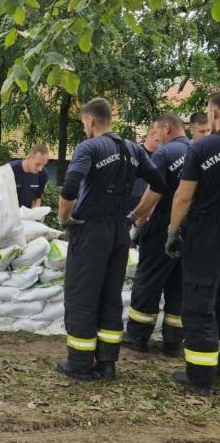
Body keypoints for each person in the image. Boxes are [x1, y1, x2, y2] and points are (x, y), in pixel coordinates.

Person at [56, 98, 166, 381]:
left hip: (91, 231)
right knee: (110, 296)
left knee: (82, 294)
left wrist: (64, 218)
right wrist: (135, 215)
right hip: (120, 232)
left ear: (91, 121)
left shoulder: (89, 147)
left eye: (83, 123)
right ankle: (107, 363)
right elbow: (160, 184)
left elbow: (70, 186)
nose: (84, 128)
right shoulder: (132, 148)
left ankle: (79, 365)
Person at [165, 93, 220, 397]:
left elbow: (183, 196)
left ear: (214, 112)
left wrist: (173, 231)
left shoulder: (202, 148)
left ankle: (199, 377)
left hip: (207, 234)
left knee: (200, 302)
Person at [123, 114, 191, 356]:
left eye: (157, 131)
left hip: (164, 224)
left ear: (167, 128)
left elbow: (155, 191)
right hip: (191, 228)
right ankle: (173, 342)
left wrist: (134, 216)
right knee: (179, 285)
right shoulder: (198, 150)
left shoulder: (165, 153)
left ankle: (137, 337)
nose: (157, 136)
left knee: (149, 279)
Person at [9, 144, 50, 208]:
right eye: (37, 164)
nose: (40, 169)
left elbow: (37, 198)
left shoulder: (43, 174)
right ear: (29, 157)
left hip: (26, 215)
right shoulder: (10, 170)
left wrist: (35, 213)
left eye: (43, 165)